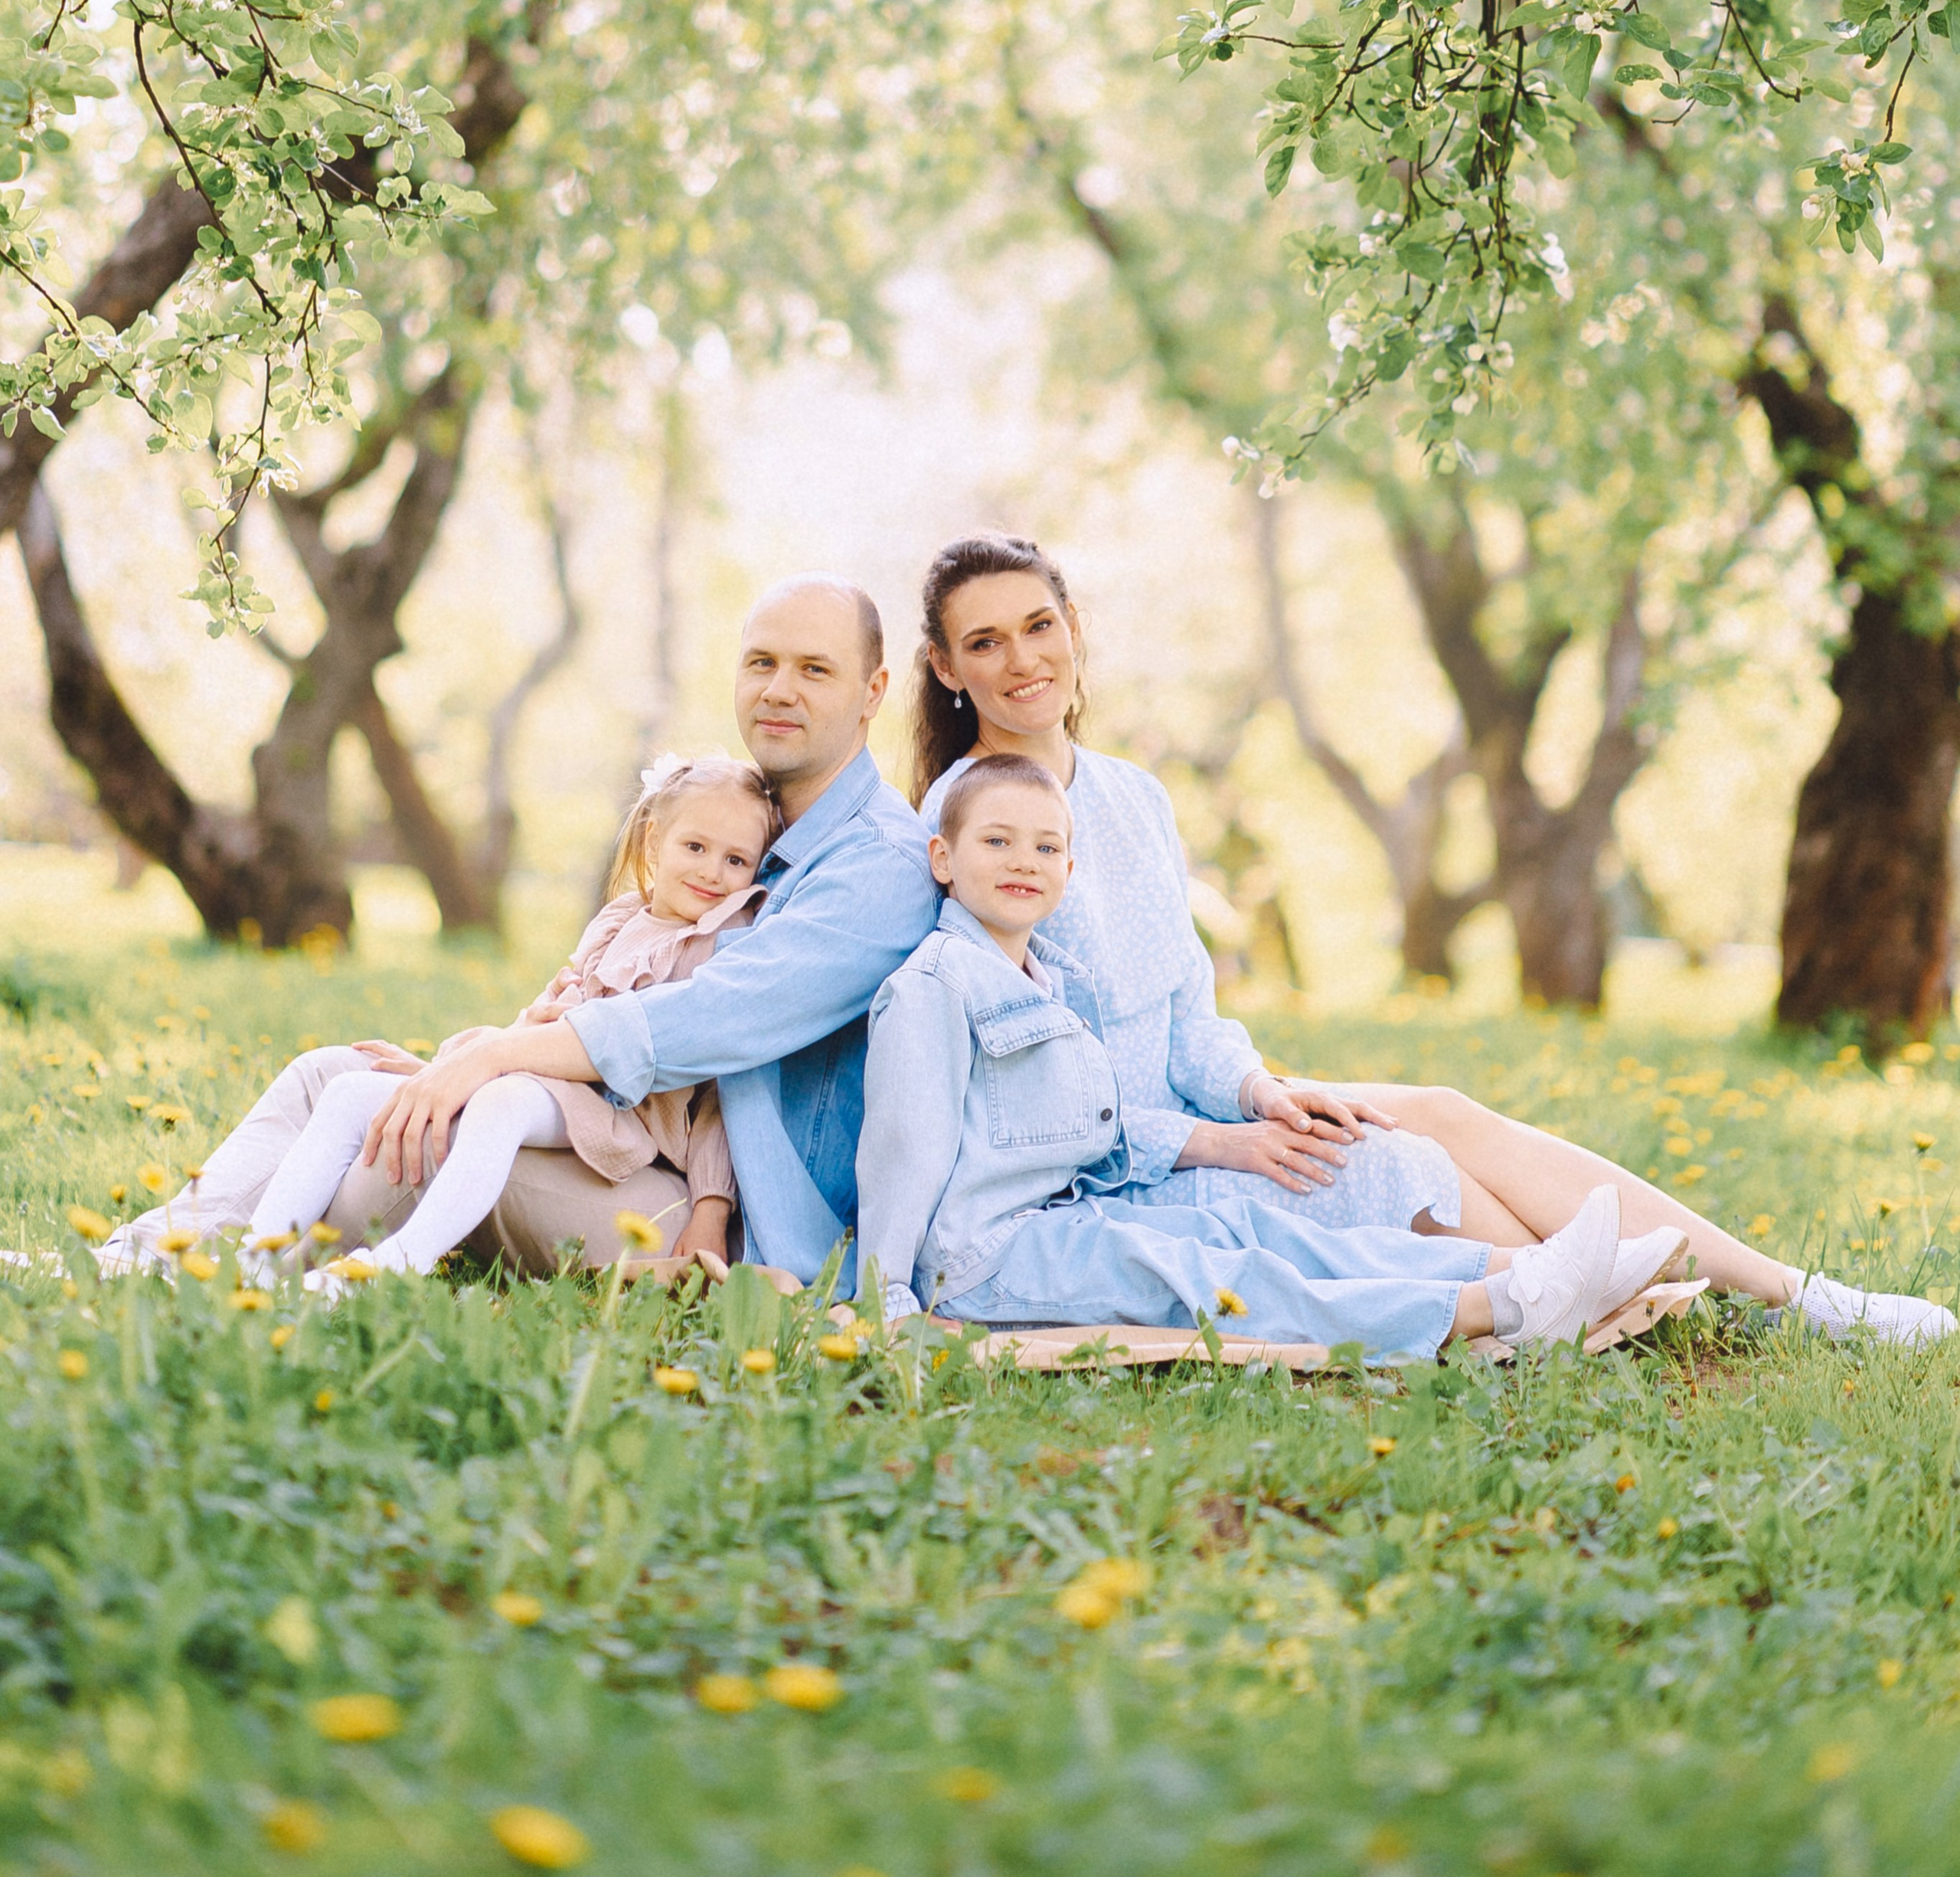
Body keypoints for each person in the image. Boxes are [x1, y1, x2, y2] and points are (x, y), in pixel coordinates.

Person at [910, 530, 1956, 1348]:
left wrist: (1264, 1094)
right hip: (1118, 1166)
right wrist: (1229, 1141)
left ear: (1073, 628)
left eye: (1038, 626)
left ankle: (1794, 1291)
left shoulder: (1132, 797)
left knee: (1439, 1112)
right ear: (947, 668)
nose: (1021, 660)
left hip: (1207, 1107)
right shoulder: (972, 830)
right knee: (1400, 1169)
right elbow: (1033, 1098)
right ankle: (1656, 1298)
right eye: (985, 643)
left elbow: (1192, 1015)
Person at [103, 579, 938, 1286]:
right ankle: (133, 1254)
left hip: (725, 1225)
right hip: (620, 1146)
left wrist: (484, 1062)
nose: (779, 688)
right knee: (339, 1074)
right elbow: (595, 991)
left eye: (815, 669)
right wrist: (465, 1060)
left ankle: (244, 1273)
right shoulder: (746, 822)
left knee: (438, 1131)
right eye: (761, 661)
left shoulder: (878, 866)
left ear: (872, 693)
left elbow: (697, 1022)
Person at [858, 754, 1687, 1353]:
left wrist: (1225, 1124)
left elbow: (1079, 1134)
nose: (1022, 862)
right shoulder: (937, 985)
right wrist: (887, 1299)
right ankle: (1494, 1309)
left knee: (1258, 1231)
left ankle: (1539, 1270)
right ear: (943, 858)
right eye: (996, 842)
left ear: (1069, 871)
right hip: (982, 1261)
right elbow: (902, 1150)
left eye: (1045, 848)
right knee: (1217, 1277)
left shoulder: (1049, 981)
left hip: (1069, 1216)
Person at [235, 756, 773, 1294]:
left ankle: (393, 1266)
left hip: (625, 1121)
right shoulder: (621, 919)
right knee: (351, 1092)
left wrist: (711, 1205)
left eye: (736, 859)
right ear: (654, 842)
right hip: (549, 1085)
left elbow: (720, 1100)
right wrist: (450, 1071)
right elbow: (541, 1014)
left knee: (502, 1103)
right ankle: (253, 1262)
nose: (712, 872)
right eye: (696, 847)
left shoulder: (722, 943)